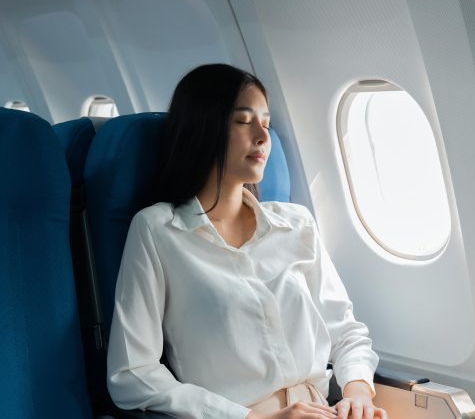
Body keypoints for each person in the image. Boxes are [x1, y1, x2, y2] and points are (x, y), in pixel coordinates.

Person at [106, 64, 387, 419]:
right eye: (243, 121)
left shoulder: (296, 223)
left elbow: (345, 332)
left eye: (266, 124)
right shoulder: (157, 231)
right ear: (204, 128)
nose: (263, 136)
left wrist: (357, 392)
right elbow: (131, 374)